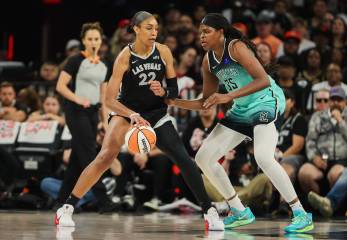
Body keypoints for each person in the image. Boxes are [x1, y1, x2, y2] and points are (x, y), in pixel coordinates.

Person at [55, 11, 224, 231]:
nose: (154, 32)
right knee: (105, 157)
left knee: (184, 159)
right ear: (136, 29)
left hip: (156, 113)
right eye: (149, 28)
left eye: (156, 28)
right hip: (128, 112)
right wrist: (132, 115)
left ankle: (209, 211)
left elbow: (173, 91)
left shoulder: (163, 52)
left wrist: (163, 90)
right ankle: (67, 208)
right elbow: (109, 99)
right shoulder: (124, 57)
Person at [167, 13, 313, 233]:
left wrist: (227, 97)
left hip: (266, 100)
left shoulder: (235, 47)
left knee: (263, 156)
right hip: (242, 108)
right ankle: (239, 211)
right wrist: (171, 100)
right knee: (203, 157)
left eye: (207, 31)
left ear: (221, 32)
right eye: (200, 33)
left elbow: (263, 79)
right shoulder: (208, 61)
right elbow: (205, 102)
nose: (202, 36)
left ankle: (301, 213)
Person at [55, 22, 115, 214]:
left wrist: (106, 122)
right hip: (75, 110)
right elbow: (60, 86)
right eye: (89, 39)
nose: (93, 42)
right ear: (83, 41)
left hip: (92, 112)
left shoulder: (105, 64)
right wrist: (77, 98)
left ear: (101, 41)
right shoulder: (75, 60)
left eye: (96, 39)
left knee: (76, 159)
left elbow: (104, 98)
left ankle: (62, 200)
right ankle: (103, 200)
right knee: (89, 153)